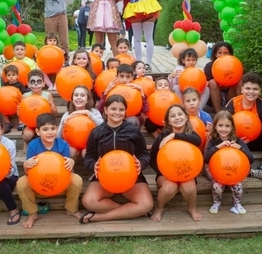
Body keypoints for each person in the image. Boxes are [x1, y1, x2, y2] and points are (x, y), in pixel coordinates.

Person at [79, 94, 153, 224]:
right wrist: (93, 166)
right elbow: (89, 157)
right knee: (88, 201)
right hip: (104, 177)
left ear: (125, 112)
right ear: (106, 110)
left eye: (121, 109)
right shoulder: (96, 132)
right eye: (113, 109)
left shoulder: (133, 131)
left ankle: (99, 217)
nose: (117, 113)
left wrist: (141, 163)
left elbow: (145, 154)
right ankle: (129, 211)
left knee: (146, 204)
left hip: (131, 176)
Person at [17, 113, 83, 229]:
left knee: (77, 180)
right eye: (45, 129)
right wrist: (26, 166)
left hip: (60, 185)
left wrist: (71, 163)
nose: (50, 132)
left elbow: (68, 173)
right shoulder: (33, 145)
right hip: (39, 186)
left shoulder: (63, 145)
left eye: (53, 128)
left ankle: (71, 209)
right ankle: (32, 213)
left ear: (57, 129)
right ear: (37, 131)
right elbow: (29, 174)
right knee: (21, 183)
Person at [149, 104, 202, 222]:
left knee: (188, 187)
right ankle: (159, 208)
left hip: (187, 171)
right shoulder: (162, 136)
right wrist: (163, 172)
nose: (177, 117)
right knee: (169, 187)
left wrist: (175, 135)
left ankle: (192, 208)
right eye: (172, 116)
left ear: (186, 117)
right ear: (168, 121)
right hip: (165, 174)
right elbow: (152, 157)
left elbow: (198, 141)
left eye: (180, 114)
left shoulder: (191, 134)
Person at [205, 110, 254, 215]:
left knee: (238, 187)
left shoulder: (237, 141)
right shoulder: (213, 141)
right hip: (218, 173)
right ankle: (216, 203)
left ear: (232, 128)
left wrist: (240, 148)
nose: (223, 129)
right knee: (217, 187)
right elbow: (206, 159)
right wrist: (217, 147)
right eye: (220, 125)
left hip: (234, 173)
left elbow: (251, 159)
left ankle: (237, 204)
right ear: (215, 127)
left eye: (227, 126)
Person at [57, 85, 104, 159]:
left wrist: (88, 114)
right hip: (72, 143)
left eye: (82, 95)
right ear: (72, 99)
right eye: (76, 95)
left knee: (86, 153)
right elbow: (58, 136)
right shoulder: (68, 114)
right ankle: (70, 170)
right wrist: (63, 123)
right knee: (70, 152)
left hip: (89, 143)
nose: (79, 97)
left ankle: (92, 169)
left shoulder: (94, 112)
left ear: (88, 99)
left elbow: (103, 126)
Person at [97, 64, 149, 128]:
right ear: (117, 77)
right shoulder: (112, 89)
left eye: (127, 77)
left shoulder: (135, 90)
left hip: (129, 120)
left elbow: (145, 110)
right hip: (114, 117)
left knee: (133, 120)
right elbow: (100, 109)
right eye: (121, 76)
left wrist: (141, 92)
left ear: (132, 77)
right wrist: (106, 92)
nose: (124, 80)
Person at [37, 0, 71, 65]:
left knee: (64, 39)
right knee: (50, 39)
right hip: (49, 17)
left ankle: (66, 60)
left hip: (61, 16)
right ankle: (50, 59)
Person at [20, 69, 58, 153]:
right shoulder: (25, 96)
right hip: (30, 124)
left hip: (45, 123)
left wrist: (50, 106)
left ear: (43, 83)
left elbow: (55, 113)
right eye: (33, 82)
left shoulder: (47, 95)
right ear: (28, 84)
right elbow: (22, 115)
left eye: (39, 81)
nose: (36, 84)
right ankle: (26, 143)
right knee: (27, 135)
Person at [204, 41, 241, 114]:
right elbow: (206, 84)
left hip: (230, 95)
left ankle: (238, 110)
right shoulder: (209, 66)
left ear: (230, 54)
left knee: (240, 81)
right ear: (215, 54)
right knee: (212, 82)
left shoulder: (235, 64)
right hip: (215, 97)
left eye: (225, 53)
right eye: (219, 53)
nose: (222, 55)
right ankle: (219, 113)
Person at [0, 64, 28, 133]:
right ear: (6, 76)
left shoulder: (19, 84)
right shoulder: (5, 85)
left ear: (17, 76)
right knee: (1, 110)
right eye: (9, 75)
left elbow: (24, 93)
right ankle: (8, 123)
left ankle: (20, 123)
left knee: (20, 108)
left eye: (13, 75)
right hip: (8, 104)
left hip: (17, 103)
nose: (11, 77)